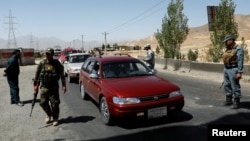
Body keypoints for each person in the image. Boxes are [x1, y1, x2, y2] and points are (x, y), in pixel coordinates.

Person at [33, 48, 67, 126]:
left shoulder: (57, 63)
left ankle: (55, 118)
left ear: (52, 54)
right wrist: (35, 85)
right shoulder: (42, 63)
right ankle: (49, 114)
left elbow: (62, 75)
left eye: (49, 54)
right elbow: (37, 74)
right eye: (46, 54)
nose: (47, 55)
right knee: (42, 102)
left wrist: (64, 85)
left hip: (54, 86)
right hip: (44, 86)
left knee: (55, 103)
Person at [222, 34, 244, 109]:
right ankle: (229, 99)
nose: (225, 43)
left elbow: (240, 61)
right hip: (226, 69)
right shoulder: (228, 48)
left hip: (234, 69)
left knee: (235, 86)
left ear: (231, 40)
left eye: (226, 41)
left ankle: (236, 101)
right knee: (226, 85)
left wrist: (239, 72)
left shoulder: (238, 49)